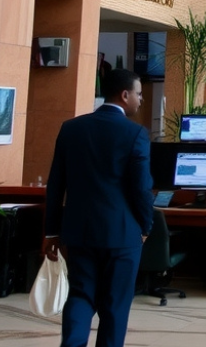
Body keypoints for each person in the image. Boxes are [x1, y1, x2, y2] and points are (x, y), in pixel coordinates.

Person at [43, 68, 154, 347]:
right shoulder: (135, 133)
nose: (141, 100)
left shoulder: (71, 128)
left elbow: (55, 184)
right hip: (122, 234)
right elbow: (142, 188)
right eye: (139, 94)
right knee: (115, 306)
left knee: (80, 295)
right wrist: (145, 226)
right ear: (125, 95)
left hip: (79, 232)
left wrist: (51, 232)